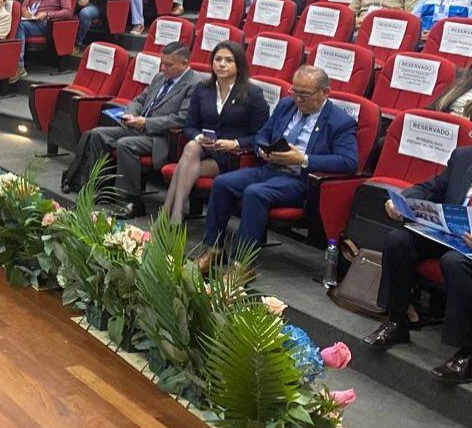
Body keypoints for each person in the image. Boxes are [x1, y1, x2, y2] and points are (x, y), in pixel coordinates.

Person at [200, 66, 358, 253]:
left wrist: (303, 159)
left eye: (305, 95)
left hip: (299, 180)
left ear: (325, 93)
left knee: (255, 193)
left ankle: (241, 261)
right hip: (269, 168)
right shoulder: (286, 106)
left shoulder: (340, 121)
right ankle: (212, 249)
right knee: (221, 183)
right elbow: (262, 135)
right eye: (295, 92)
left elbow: (349, 162)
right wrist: (262, 150)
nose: (298, 99)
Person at [365, 147, 472, 383]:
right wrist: (403, 200)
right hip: (453, 234)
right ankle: (397, 322)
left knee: (454, 262)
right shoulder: (464, 156)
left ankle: (468, 352)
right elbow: (432, 188)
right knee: (399, 240)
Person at [60, 42, 199, 217]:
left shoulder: (194, 84)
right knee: (97, 134)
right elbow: (139, 100)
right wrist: (130, 114)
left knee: (126, 144)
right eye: (162, 63)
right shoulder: (159, 77)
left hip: (162, 137)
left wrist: (146, 123)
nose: (163, 68)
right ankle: (99, 188)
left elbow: (182, 118)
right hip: (139, 127)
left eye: (168, 65)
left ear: (184, 64)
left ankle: (132, 201)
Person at [162, 41, 269, 224]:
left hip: (232, 156)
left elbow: (262, 136)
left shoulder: (253, 94)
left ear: (239, 65)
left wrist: (235, 143)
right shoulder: (203, 88)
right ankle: (175, 215)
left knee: (183, 167)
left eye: (228, 60)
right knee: (192, 146)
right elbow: (189, 126)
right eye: (218, 59)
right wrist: (199, 137)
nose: (222, 64)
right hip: (204, 149)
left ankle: (168, 215)